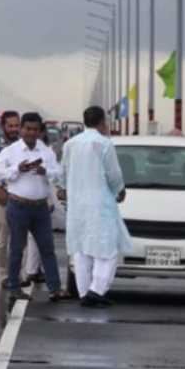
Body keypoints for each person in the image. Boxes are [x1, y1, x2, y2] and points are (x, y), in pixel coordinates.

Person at [0, 112, 69, 302]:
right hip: (18, 205)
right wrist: (18, 169)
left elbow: (59, 173)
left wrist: (46, 171)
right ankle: (14, 288)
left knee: (47, 248)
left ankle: (55, 288)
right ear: (21, 129)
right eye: (27, 129)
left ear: (40, 131)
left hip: (41, 208)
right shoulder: (11, 151)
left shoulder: (46, 151)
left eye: (35, 130)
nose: (31, 133)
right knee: (17, 248)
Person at [62, 106, 132, 307]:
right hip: (100, 204)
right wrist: (120, 190)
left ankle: (85, 293)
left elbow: (63, 171)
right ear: (102, 122)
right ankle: (96, 291)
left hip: (77, 205)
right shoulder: (104, 144)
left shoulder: (70, 144)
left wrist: (62, 188)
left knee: (81, 249)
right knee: (108, 249)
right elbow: (114, 174)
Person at [0, 111, 42, 288]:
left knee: (20, 241)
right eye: (10, 125)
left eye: (16, 125)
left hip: (23, 201)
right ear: (3, 127)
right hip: (3, 199)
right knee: (2, 241)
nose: (13, 129)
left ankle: (17, 275)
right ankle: (4, 275)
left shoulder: (27, 147)